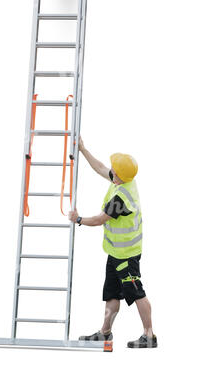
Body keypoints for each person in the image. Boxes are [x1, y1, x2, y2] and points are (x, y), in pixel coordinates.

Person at [68, 136, 158, 349]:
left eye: (114, 171)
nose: (111, 171)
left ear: (120, 176)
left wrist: (78, 220)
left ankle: (150, 335)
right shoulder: (124, 179)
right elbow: (100, 167)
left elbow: (99, 220)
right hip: (115, 253)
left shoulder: (121, 200)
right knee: (111, 293)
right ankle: (105, 332)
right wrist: (83, 149)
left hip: (127, 256)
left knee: (137, 293)